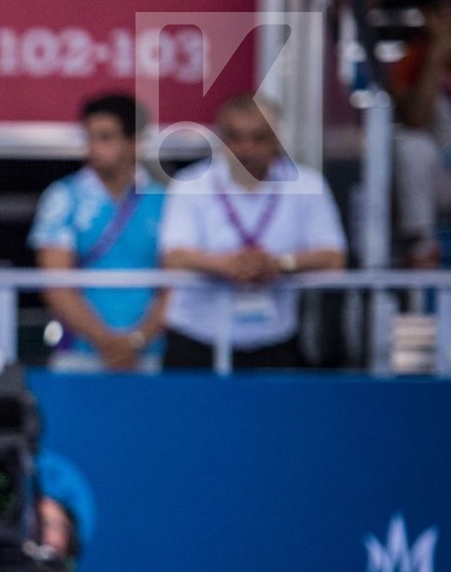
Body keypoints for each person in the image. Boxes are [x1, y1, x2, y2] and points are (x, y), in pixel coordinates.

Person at [158, 96, 348, 370]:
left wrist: (279, 264)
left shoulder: (307, 185)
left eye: (258, 138)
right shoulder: (190, 184)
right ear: (222, 141)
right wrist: (230, 265)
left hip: (274, 341)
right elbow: (174, 257)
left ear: (277, 139)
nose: (246, 148)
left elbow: (333, 259)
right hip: (196, 340)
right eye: (236, 138)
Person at [28, 93, 167, 372]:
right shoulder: (63, 197)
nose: (93, 148)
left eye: (106, 138)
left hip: (151, 352)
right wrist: (108, 343)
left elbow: (175, 286)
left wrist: (137, 341)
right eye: (89, 138)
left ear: (134, 142)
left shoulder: (165, 199)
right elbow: (55, 283)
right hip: (78, 353)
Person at [388, 0, 451, 268]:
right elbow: (415, 119)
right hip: (438, 176)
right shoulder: (411, 58)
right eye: (439, 10)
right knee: (411, 145)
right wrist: (436, 56)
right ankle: (422, 245)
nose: (447, 18)